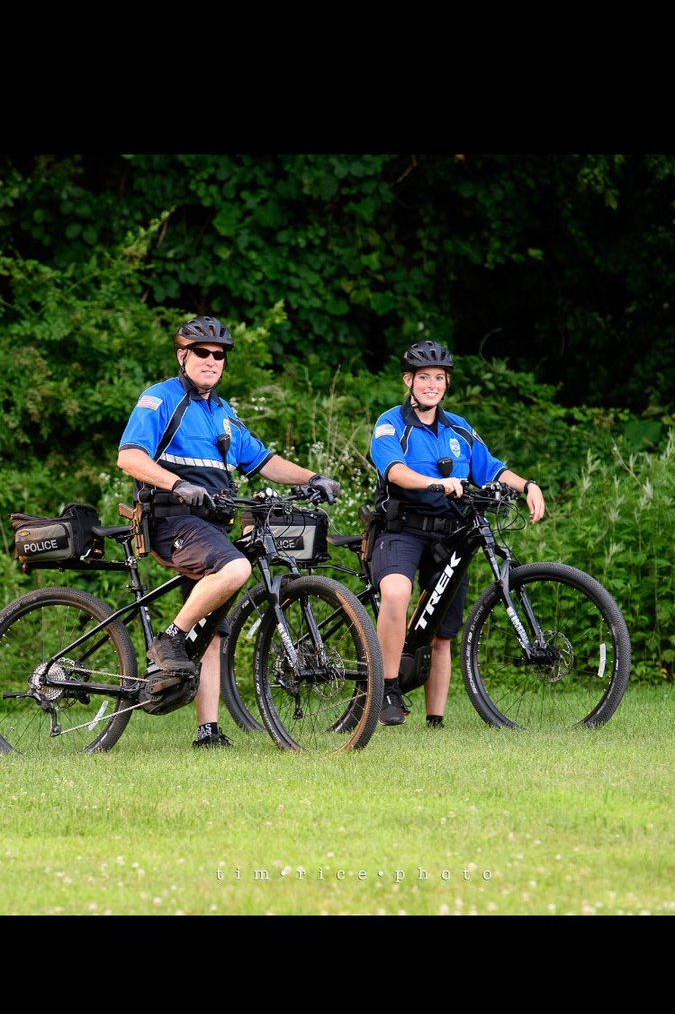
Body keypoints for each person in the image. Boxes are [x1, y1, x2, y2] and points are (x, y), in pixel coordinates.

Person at [117, 316, 340, 749]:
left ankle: (208, 731)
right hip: (170, 520)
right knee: (236, 569)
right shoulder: (160, 399)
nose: (212, 361)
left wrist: (313, 477)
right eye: (202, 352)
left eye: (219, 355)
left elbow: (262, 460)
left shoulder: (223, 413)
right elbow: (129, 457)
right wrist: (178, 484)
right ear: (183, 355)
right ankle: (168, 642)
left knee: (213, 625)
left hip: (211, 524)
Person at [369, 340, 545, 727]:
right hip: (402, 529)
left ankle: (436, 720)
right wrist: (438, 482)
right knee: (397, 593)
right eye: (424, 378)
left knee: (443, 632)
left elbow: (493, 468)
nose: (432, 385)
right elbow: (394, 470)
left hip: (451, 533)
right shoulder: (391, 423)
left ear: (446, 384)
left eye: (439, 378)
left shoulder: (459, 428)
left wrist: (527, 485)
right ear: (409, 381)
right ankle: (388, 688)